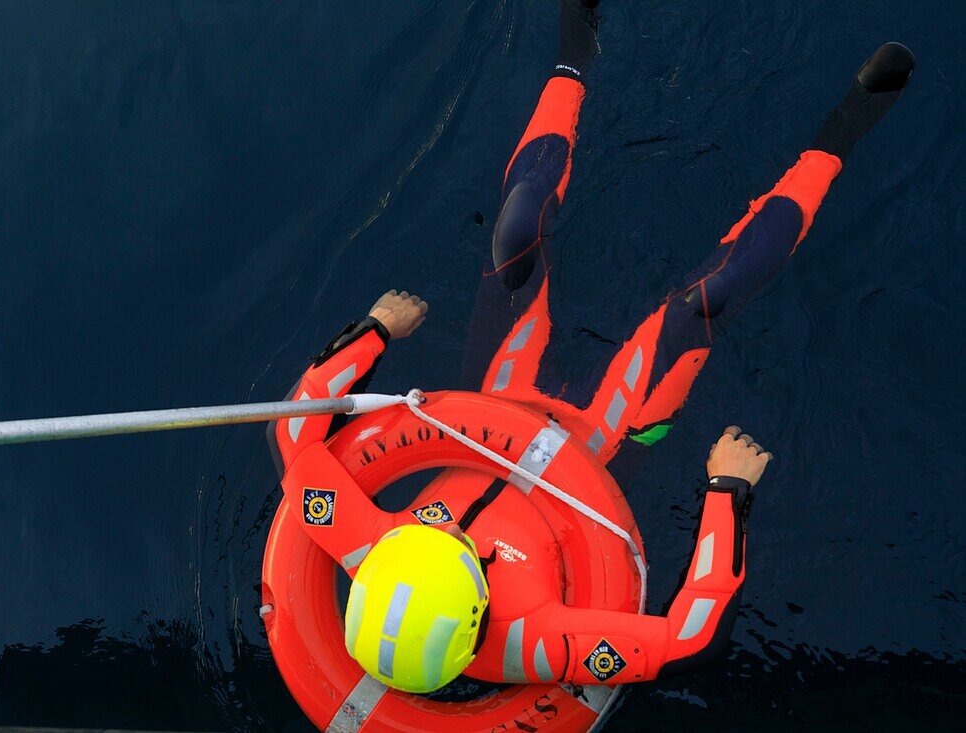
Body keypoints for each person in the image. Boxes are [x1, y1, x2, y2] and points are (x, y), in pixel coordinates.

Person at [267, 0, 914, 693]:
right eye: (459, 551)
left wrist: (374, 330)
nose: (449, 534)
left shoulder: (366, 543)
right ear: (476, 614)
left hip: (495, 402)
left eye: (429, 535)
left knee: (513, 237)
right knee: (711, 298)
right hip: (599, 447)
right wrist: (728, 492)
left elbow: (295, 429)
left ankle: (573, 58)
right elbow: (687, 641)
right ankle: (842, 132)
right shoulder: (543, 642)